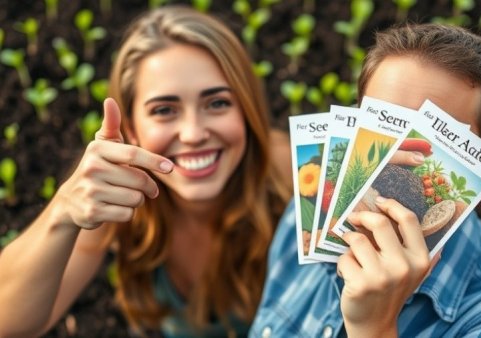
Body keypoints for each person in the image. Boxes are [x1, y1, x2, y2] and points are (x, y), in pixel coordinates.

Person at [250, 23, 481, 337]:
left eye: (433, 138)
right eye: (382, 125)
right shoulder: (304, 218)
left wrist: (374, 327)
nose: (394, 157)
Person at [0, 5, 291, 337]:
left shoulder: (290, 173)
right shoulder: (115, 198)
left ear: (246, 110)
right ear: (132, 129)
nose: (194, 133)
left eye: (217, 103)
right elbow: (9, 324)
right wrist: (63, 213)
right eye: (164, 110)